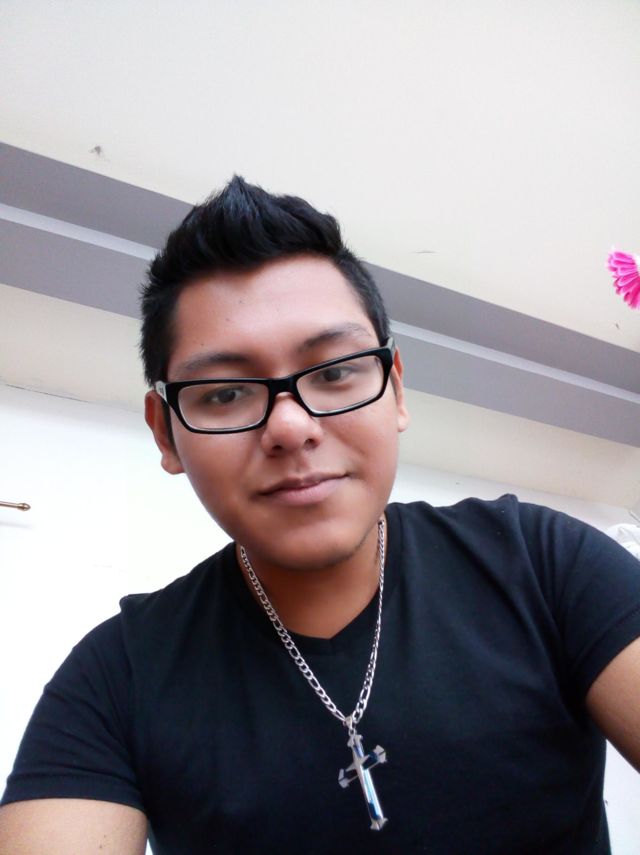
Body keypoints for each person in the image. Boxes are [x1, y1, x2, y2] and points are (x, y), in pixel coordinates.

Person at [1, 177, 640, 855]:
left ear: (395, 389)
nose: (290, 427)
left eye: (334, 372)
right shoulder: (116, 679)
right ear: (166, 433)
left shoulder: (543, 564)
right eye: (225, 392)